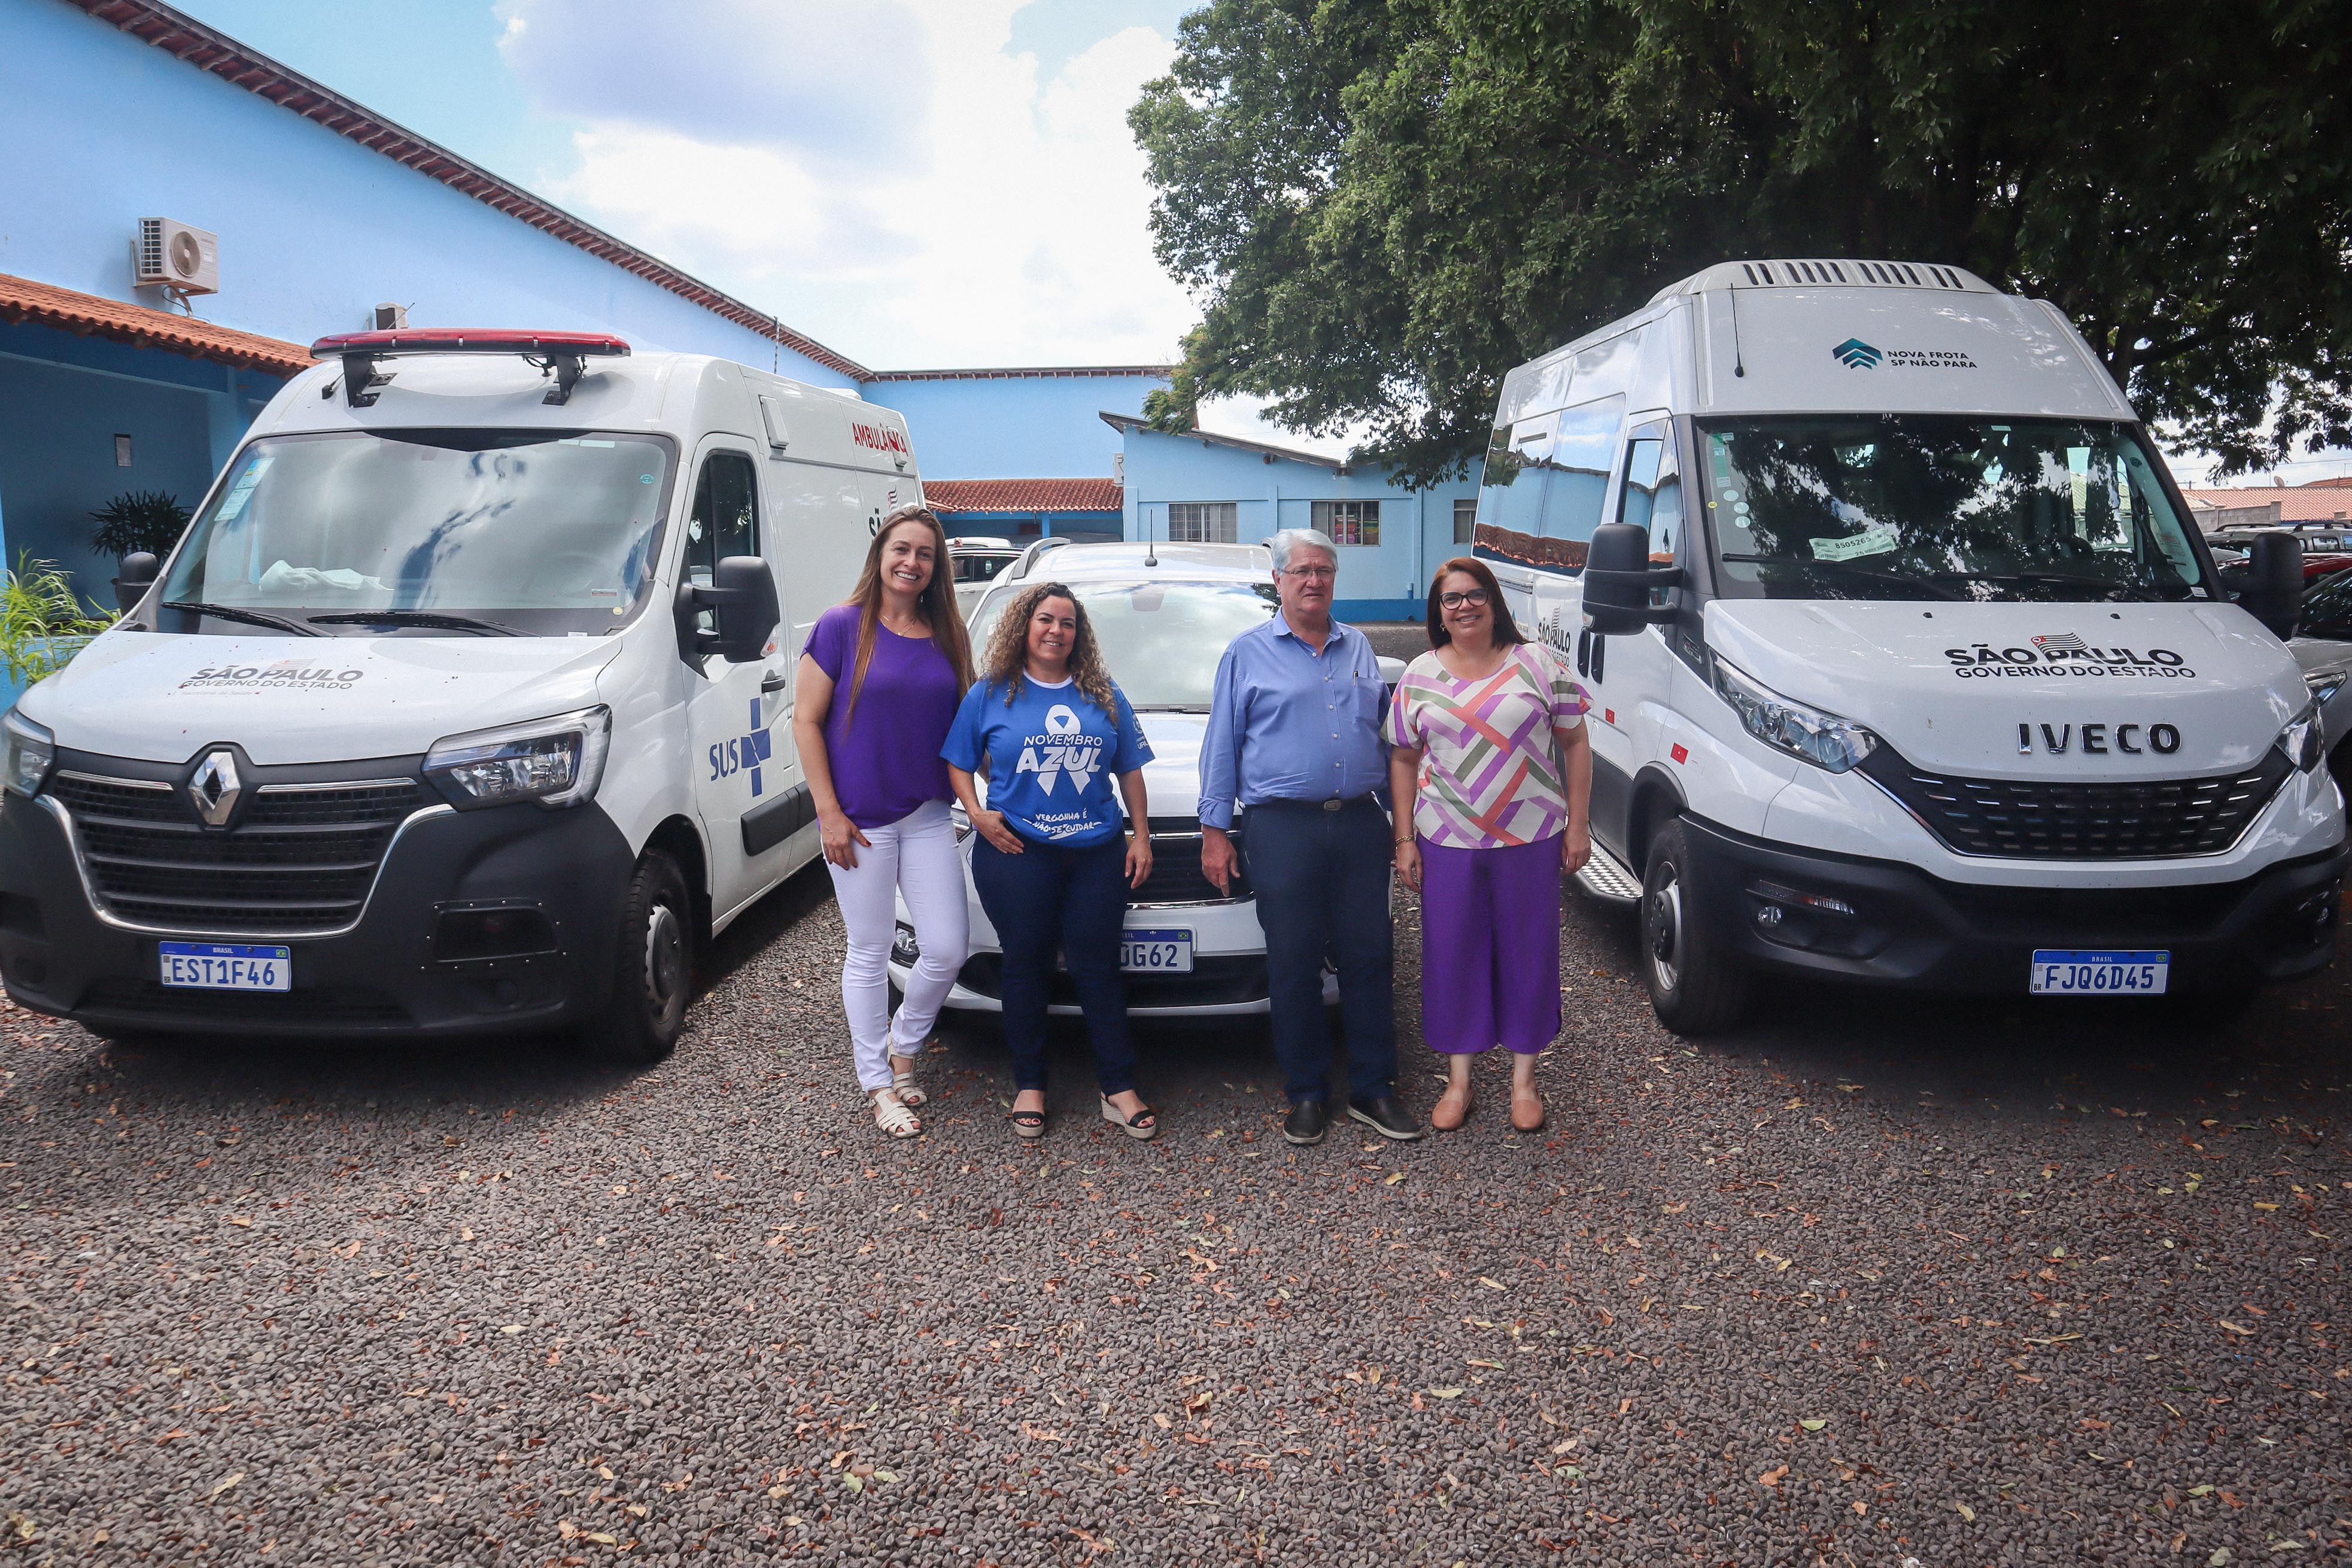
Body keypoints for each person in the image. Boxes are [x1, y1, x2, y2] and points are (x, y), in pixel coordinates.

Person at [1199, 528, 1420, 1147]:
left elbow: (1388, 736)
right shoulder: (1246, 653)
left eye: (1324, 570)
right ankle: (1307, 1092)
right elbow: (1222, 745)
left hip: (1357, 821)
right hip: (1281, 826)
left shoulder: (1359, 648)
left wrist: (1404, 827)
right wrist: (1214, 828)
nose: (1314, 581)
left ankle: (1375, 1087)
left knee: (1370, 955)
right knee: (1293, 962)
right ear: (1279, 580)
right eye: (1301, 571)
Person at [943, 582, 1159, 1142]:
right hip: (1018, 854)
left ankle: (1118, 1087)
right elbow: (959, 762)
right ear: (1025, 625)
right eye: (1046, 619)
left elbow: (1130, 769)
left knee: (1098, 970)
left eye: (1067, 623)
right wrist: (977, 814)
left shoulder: (1103, 692)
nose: (1056, 631)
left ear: (1078, 635)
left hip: (1097, 854)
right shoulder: (991, 693)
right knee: (1025, 965)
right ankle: (1031, 1084)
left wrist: (1141, 836)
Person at [1387, 557, 1592, 1134]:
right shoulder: (1419, 675)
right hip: (1448, 840)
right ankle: (1460, 1081)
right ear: (1439, 613)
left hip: (1531, 838)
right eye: (1452, 599)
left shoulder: (1540, 665)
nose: (1465, 606)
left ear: (1495, 601)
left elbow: (1576, 745)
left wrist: (1579, 825)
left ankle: (1524, 1081)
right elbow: (1402, 758)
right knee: (1454, 953)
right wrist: (1405, 838)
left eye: (1476, 595)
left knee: (1529, 951)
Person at [793, 505, 974, 1139]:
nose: (912, 562)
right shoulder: (843, 626)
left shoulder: (948, 631)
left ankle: (904, 1046)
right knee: (869, 950)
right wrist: (829, 813)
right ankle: (877, 1084)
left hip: (927, 815)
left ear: (936, 567)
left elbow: (966, 729)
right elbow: (805, 720)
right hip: (859, 821)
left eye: (925, 554)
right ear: (880, 554)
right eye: (902, 549)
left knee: (948, 947)